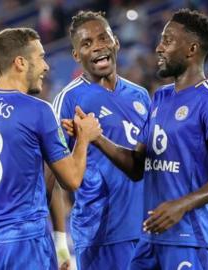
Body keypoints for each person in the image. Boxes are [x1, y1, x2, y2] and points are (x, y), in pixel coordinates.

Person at [64, 9, 208, 269]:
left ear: (191, 49)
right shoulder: (159, 98)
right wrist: (95, 137)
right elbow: (137, 166)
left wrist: (182, 205)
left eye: (168, 41)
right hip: (151, 239)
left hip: (191, 238)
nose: (159, 48)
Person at [0, 27, 101, 269]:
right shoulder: (38, 111)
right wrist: (84, 138)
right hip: (22, 242)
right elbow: (72, 180)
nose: (45, 66)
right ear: (20, 63)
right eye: (41, 57)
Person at [51, 10, 150, 269]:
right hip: (100, 235)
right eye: (87, 44)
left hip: (146, 230)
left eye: (103, 38)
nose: (97, 47)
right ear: (76, 55)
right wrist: (60, 245)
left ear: (115, 42)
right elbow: (51, 179)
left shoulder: (140, 96)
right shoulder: (68, 100)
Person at [0, 54, 71, 269]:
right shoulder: (32, 116)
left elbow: (50, 187)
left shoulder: (29, 119)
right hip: (17, 242)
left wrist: (61, 244)